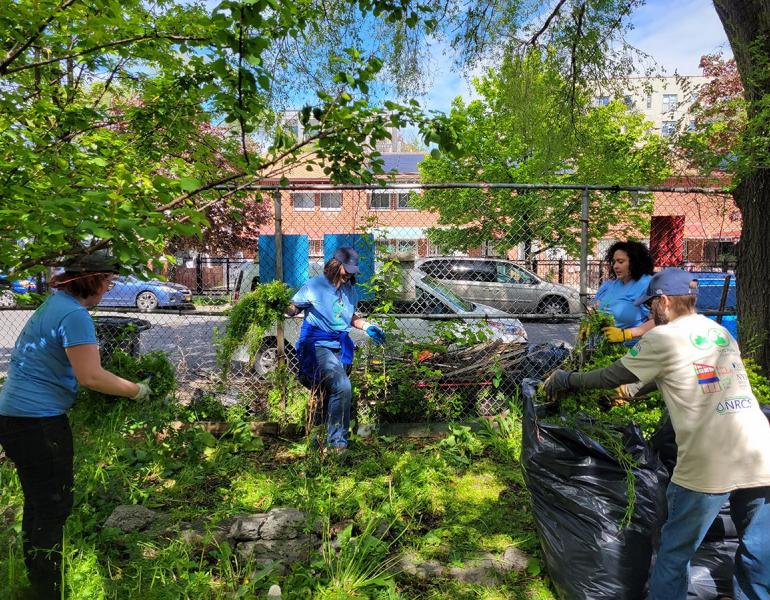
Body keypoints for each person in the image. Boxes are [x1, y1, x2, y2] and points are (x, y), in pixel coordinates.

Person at [545, 268, 770, 600]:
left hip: (709, 461)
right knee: (757, 552)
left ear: (664, 301)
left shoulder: (662, 337)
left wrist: (567, 380)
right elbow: (693, 375)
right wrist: (635, 390)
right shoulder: (718, 332)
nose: (648, 311)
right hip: (761, 451)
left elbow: (612, 374)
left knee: (674, 553)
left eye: (650, 305)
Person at [0, 254, 151, 599]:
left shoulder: (55, 304)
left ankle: (38, 581)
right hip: (38, 422)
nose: (109, 288)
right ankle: (48, 589)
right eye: (108, 281)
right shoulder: (74, 314)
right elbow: (91, 376)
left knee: (38, 503)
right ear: (91, 280)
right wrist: (136, 390)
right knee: (53, 505)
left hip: (14, 417)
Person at [287, 247, 385, 452]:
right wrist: (283, 306)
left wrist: (368, 326)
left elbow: (349, 317)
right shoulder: (315, 285)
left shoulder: (350, 290)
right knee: (342, 387)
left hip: (339, 345)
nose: (349, 273)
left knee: (328, 391)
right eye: (346, 268)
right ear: (335, 265)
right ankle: (336, 444)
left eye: (352, 269)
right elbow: (294, 307)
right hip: (317, 344)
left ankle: (318, 437)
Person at [594, 240, 655, 343]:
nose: (615, 266)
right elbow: (600, 307)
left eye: (621, 262)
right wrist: (590, 322)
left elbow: (660, 321)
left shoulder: (647, 284)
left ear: (635, 262)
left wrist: (627, 334)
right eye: (614, 262)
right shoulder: (613, 284)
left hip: (635, 350)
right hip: (607, 347)